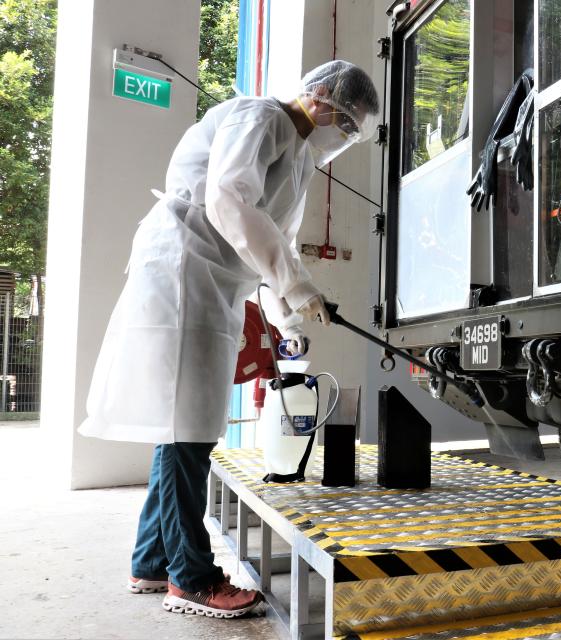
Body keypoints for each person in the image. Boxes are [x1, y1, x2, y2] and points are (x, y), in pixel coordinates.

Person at [78, 60, 379, 619]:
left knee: (186, 425)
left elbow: (276, 245)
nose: (344, 137)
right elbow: (228, 199)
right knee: (185, 426)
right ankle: (189, 577)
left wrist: (292, 317)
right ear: (321, 101)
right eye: (347, 123)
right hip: (184, 268)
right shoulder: (259, 117)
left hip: (216, 283)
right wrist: (296, 284)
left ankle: (150, 561)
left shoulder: (299, 162)